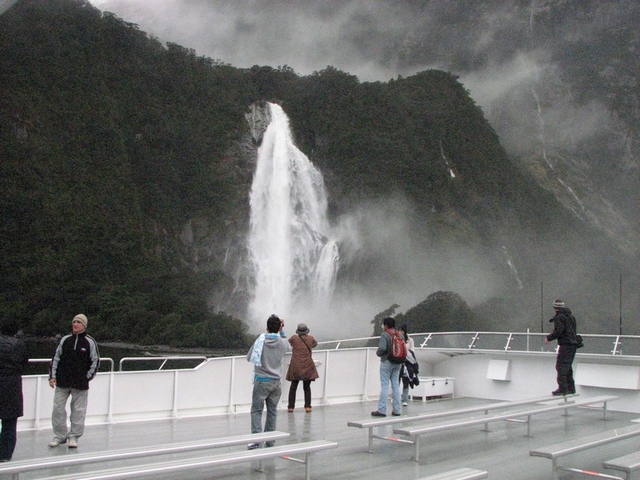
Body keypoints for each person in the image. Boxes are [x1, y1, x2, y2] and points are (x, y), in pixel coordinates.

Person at [48, 314, 100, 448]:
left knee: (78, 411)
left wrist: (87, 377)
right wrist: (52, 376)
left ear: (84, 325)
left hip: (80, 384)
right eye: (74, 322)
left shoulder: (89, 342)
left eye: (78, 322)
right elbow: (56, 358)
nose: (75, 324)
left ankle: (74, 437)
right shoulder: (65, 340)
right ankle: (60, 436)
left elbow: (95, 361)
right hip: (63, 381)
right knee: (58, 409)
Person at [246, 314, 290, 449]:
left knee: (256, 411)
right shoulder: (282, 342)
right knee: (272, 411)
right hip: (276, 382)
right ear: (279, 327)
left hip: (261, 381)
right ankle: (270, 441)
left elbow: (249, 357)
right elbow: (287, 346)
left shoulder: (260, 341)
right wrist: (282, 330)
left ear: (266, 327)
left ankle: (256, 440)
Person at [0, 320, 29, 462]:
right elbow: (24, 363)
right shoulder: (19, 345)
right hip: (12, 385)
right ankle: (5, 454)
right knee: (10, 422)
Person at [544, 299, 578, 396]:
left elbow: (559, 331)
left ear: (554, 308)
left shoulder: (559, 317)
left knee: (560, 366)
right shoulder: (570, 316)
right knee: (567, 366)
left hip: (566, 345)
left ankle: (563, 389)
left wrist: (548, 338)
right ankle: (571, 388)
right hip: (573, 345)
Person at [371, 317, 402, 417]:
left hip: (387, 361)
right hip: (398, 362)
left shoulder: (385, 334)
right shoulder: (399, 334)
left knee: (385, 385)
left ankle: (382, 410)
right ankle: (397, 410)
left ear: (386, 325)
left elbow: (382, 348)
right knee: (395, 385)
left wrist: (378, 353)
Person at [286, 323, 319, 413]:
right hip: (307, 365)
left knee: (293, 386)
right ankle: (308, 406)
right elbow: (315, 344)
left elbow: (287, 343)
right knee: (307, 387)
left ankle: (291, 407)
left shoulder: (293, 338)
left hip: (296, 365)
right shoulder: (310, 338)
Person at [398, 324, 419, 406]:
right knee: (397, 381)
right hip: (399, 363)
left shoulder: (410, 340)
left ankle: (405, 400)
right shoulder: (397, 339)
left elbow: (412, 351)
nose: (400, 332)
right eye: (399, 330)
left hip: (407, 364)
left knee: (406, 381)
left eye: (401, 330)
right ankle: (396, 398)